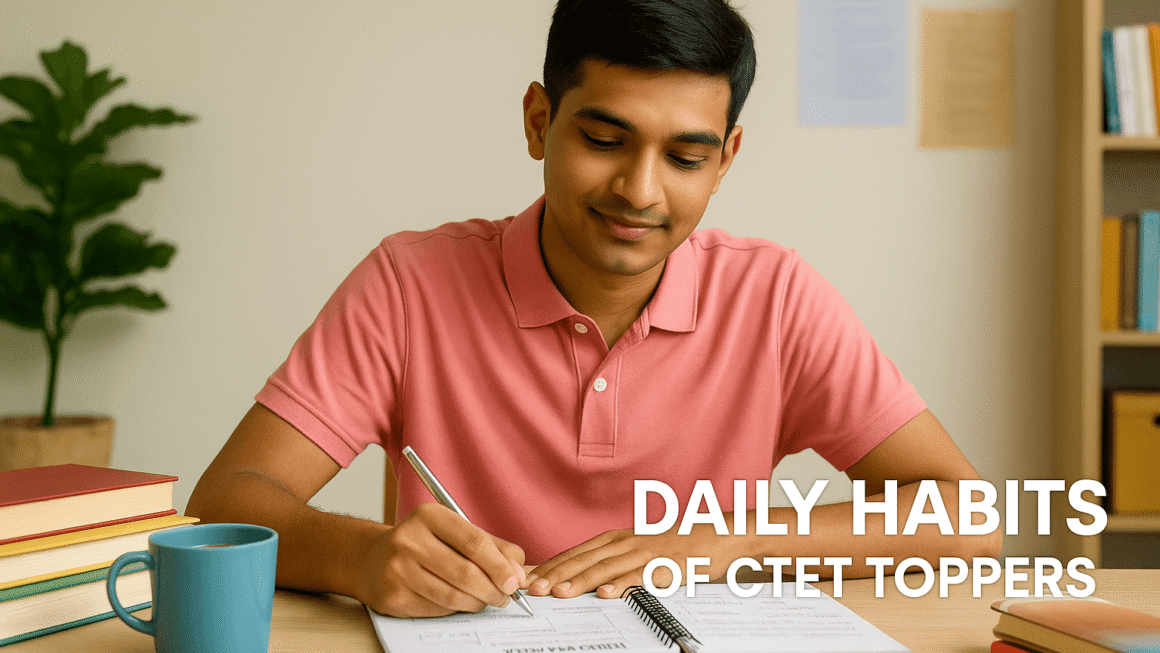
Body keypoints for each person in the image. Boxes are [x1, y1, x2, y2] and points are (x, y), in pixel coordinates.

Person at [186, 0, 1000, 620]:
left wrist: (724, 540)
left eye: (686, 156)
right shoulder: (411, 282)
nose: (640, 192)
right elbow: (225, 503)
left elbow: (970, 517)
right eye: (605, 140)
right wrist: (363, 557)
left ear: (726, 162)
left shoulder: (776, 297)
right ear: (540, 122)